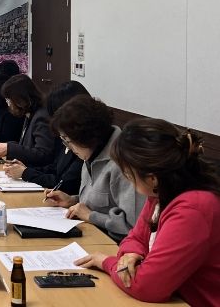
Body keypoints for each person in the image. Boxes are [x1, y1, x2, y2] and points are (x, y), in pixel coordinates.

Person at [75, 120, 220, 305]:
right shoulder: (161, 193)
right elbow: (135, 237)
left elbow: (147, 287)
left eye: (129, 175)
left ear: (152, 179)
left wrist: (105, 262)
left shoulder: (192, 210)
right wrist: (131, 254)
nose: (129, 181)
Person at [45, 95, 144, 241]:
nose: (69, 148)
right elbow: (101, 201)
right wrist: (72, 201)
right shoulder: (92, 153)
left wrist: (91, 216)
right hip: (92, 234)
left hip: (115, 244)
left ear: (87, 137)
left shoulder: (124, 163)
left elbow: (133, 226)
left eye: (68, 141)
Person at [3, 81, 88, 195]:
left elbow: (64, 184)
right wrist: (25, 169)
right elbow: (55, 168)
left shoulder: (83, 145)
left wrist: (26, 172)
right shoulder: (68, 137)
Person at [0, 74, 57, 166]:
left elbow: (42, 153)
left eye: (9, 100)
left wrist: (9, 148)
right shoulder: (30, 113)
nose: (8, 104)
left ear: (20, 99)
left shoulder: (41, 117)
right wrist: (6, 146)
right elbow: (27, 145)